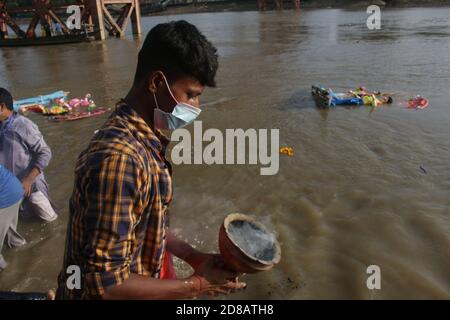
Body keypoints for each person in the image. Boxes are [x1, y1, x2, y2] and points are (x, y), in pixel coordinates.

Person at [56, 20, 246, 300]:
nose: (196, 108)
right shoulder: (120, 161)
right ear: (156, 83)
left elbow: (144, 225)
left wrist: (193, 256)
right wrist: (197, 285)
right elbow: (105, 285)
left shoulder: (145, 138)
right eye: (191, 95)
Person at [0, 88, 58, 223]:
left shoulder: (23, 125)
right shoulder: (2, 126)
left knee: (50, 222)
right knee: (24, 220)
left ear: (1, 107)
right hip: (12, 187)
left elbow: (45, 152)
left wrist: (28, 180)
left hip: (31, 184)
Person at [0, 164, 26, 271]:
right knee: (10, 235)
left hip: (5, 197)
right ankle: (26, 256)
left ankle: (8, 276)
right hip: (14, 189)